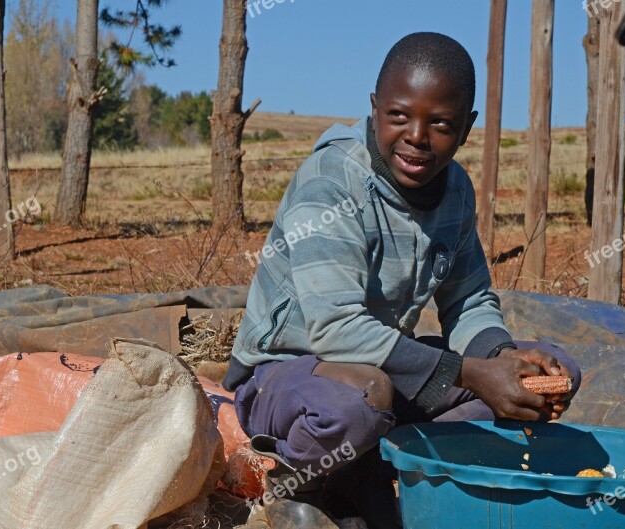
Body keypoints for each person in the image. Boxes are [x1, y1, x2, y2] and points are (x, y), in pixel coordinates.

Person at [224, 32, 582, 529]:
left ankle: (369, 464)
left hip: (386, 375)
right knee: (361, 397)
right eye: (398, 115)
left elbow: (469, 299)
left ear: (466, 128)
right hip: (288, 382)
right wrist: (473, 373)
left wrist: (501, 359)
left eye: (440, 123)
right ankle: (298, 485)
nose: (416, 135)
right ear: (374, 108)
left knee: (542, 377)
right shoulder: (332, 184)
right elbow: (336, 330)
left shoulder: (455, 189)